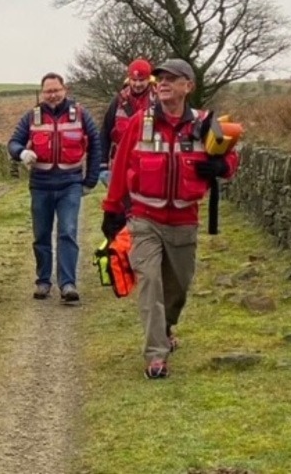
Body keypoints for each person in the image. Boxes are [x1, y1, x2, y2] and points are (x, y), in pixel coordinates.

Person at [101, 59, 239, 379]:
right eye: (160, 78)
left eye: (171, 79)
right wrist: (111, 209)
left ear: (187, 86)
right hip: (144, 218)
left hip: (184, 221)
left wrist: (222, 167)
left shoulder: (206, 122)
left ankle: (166, 328)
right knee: (149, 282)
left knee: (178, 288)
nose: (162, 83)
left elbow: (232, 157)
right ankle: (155, 355)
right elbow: (121, 164)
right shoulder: (140, 121)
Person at [7, 72, 102, 303]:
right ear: (42, 93)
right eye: (48, 91)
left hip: (70, 183)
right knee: (41, 234)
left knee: (67, 232)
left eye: (56, 90)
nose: (52, 95)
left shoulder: (80, 114)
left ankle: (68, 284)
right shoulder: (32, 117)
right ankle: (43, 281)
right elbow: (13, 143)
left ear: (64, 89)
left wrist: (90, 180)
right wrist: (22, 152)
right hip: (40, 184)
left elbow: (96, 145)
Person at [99, 58, 158, 186]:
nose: (137, 84)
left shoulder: (159, 100)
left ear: (149, 79)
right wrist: (102, 165)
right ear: (129, 79)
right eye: (134, 80)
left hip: (151, 164)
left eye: (141, 80)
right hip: (120, 163)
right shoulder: (118, 100)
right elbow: (105, 132)